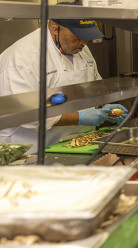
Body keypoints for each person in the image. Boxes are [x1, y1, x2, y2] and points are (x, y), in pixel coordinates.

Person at [0, 5, 128, 153]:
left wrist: (105, 107)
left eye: (87, 38)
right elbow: (28, 115)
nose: (84, 43)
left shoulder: (81, 49)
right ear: (55, 29)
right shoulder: (22, 59)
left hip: (76, 145)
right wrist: (81, 117)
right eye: (78, 37)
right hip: (30, 151)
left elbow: (96, 86)